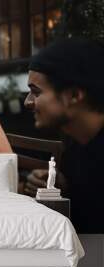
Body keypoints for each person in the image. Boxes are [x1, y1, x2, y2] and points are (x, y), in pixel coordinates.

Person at [24, 38, 104, 233]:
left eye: (36, 92)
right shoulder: (76, 143)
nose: (28, 102)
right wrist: (60, 186)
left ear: (74, 95)